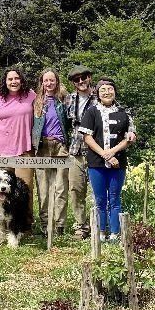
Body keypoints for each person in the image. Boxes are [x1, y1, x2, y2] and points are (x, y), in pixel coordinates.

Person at [79, 78, 135, 242]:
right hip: (96, 163)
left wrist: (112, 152)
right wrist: (105, 154)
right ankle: (101, 232)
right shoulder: (91, 111)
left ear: (114, 91)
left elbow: (130, 137)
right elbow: (87, 137)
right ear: (97, 93)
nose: (107, 92)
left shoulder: (124, 112)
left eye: (110, 89)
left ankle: (115, 233)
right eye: (103, 89)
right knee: (100, 199)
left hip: (118, 163)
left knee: (115, 199)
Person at [0, 67, 37, 215]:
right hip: (3, 150)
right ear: (5, 82)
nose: (13, 81)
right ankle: (5, 222)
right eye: (10, 79)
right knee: (3, 189)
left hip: (25, 150)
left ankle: (26, 224)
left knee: (24, 189)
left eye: (16, 78)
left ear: (21, 80)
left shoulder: (30, 95)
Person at [31, 68, 69, 235]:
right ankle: (46, 224)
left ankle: (60, 224)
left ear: (57, 81)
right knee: (43, 188)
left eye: (52, 80)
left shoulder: (64, 100)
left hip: (60, 145)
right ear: (42, 82)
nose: (49, 83)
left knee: (60, 187)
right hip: (42, 146)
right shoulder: (37, 101)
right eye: (46, 80)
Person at [64, 65, 96, 238]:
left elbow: (120, 114)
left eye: (84, 77)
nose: (81, 81)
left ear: (89, 77)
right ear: (73, 83)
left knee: (96, 191)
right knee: (76, 190)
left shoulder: (101, 96)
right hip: (76, 150)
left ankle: (97, 225)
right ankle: (81, 226)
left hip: (96, 152)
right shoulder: (69, 99)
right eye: (77, 80)